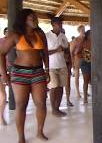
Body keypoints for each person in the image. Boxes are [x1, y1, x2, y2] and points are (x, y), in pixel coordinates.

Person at [0, 9, 49, 143]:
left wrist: (47, 69)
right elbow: (1, 53)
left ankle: (39, 132)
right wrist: (4, 75)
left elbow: (44, 52)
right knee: (21, 105)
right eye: (31, 18)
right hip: (20, 73)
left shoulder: (40, 33)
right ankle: (21, 137)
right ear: (24, 20)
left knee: (41, 103)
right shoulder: (15, 35)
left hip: (38, 71)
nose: (35, 20)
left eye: (35, 18)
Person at [46, 17, 69, 117]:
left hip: (62, 65)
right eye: (58, 24)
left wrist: (66, 54)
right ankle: (53, 109)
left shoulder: (63, 36)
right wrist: (56, 50)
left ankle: (57, 108)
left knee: (61, 88)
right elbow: (44, 53)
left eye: (61, 24)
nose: (60, 25)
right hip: (51, 66)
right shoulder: (46, 36)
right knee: (53, 88)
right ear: (53, 25)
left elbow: (67, 49)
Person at [70, 25, 85, 98]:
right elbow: (71, 52)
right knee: (77, 76)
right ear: (79, 31)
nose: (83, 30)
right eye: (82, 29)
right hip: (77, 58)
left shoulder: (86, 39)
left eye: (84, 29)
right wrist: (72, 62)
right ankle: (78, 92)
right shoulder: (76, 40)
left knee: (86, 75)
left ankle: (85, 91)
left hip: (85, 58)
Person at [61, 28, 73, 107]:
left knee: (67, 84)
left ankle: (68, 100)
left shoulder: (67, 44)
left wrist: (70, 65)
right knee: (57, 85)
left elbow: (69, 55)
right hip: (56, 65)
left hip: (66, 64)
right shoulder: (53, 42)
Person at [79, 30, 91, 104]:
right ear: (87, 35)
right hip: (85, 63)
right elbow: (77, 53)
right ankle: (85, 97)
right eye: (91, 34)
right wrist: (83, 57)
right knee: (86, 81)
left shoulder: (96, 42)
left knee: (95, 80)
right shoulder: (83, 42)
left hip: (95, 63)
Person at [0, 27, 8, 125]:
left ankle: (1, 116)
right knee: (3, 96)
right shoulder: (1, 41)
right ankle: (1, 117)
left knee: (3, 95)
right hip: (1, 71)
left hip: (7, 70)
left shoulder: (13, 42)